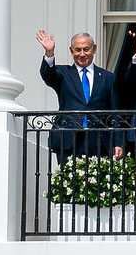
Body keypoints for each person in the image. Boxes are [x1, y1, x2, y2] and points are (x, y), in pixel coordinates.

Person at [37, 30, 123, 163]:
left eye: (86, 49)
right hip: (69, 139)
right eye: (77, 50)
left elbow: (115, 113)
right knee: (67, 182)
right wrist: (49, 53)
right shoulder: (63, 74)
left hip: (99, 141)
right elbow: (48, 75)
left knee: (98, 183)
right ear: (71, 51)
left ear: (94, 49)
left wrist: (118, 142)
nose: (82, 54)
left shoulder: (108, 78)